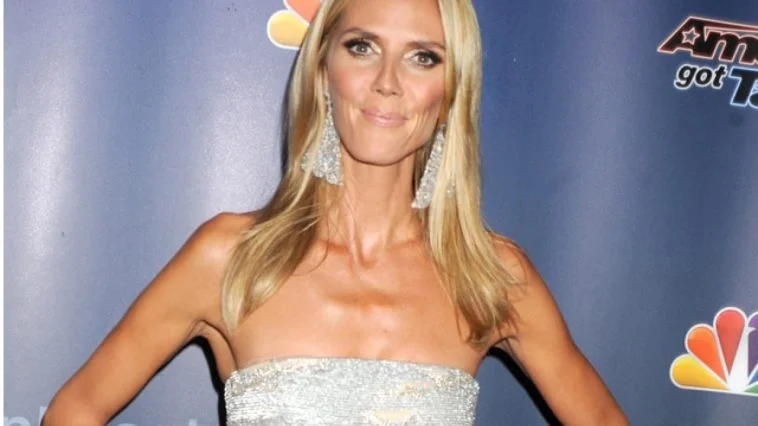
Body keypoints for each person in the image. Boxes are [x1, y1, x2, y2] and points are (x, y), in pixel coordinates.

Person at [44, 0, 628, 424]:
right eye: (362, 47)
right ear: (324, 70)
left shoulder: (490, 276)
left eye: (423, 57)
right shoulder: (230, 259)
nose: (387, 83)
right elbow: (76, 410)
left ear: (452, 91)